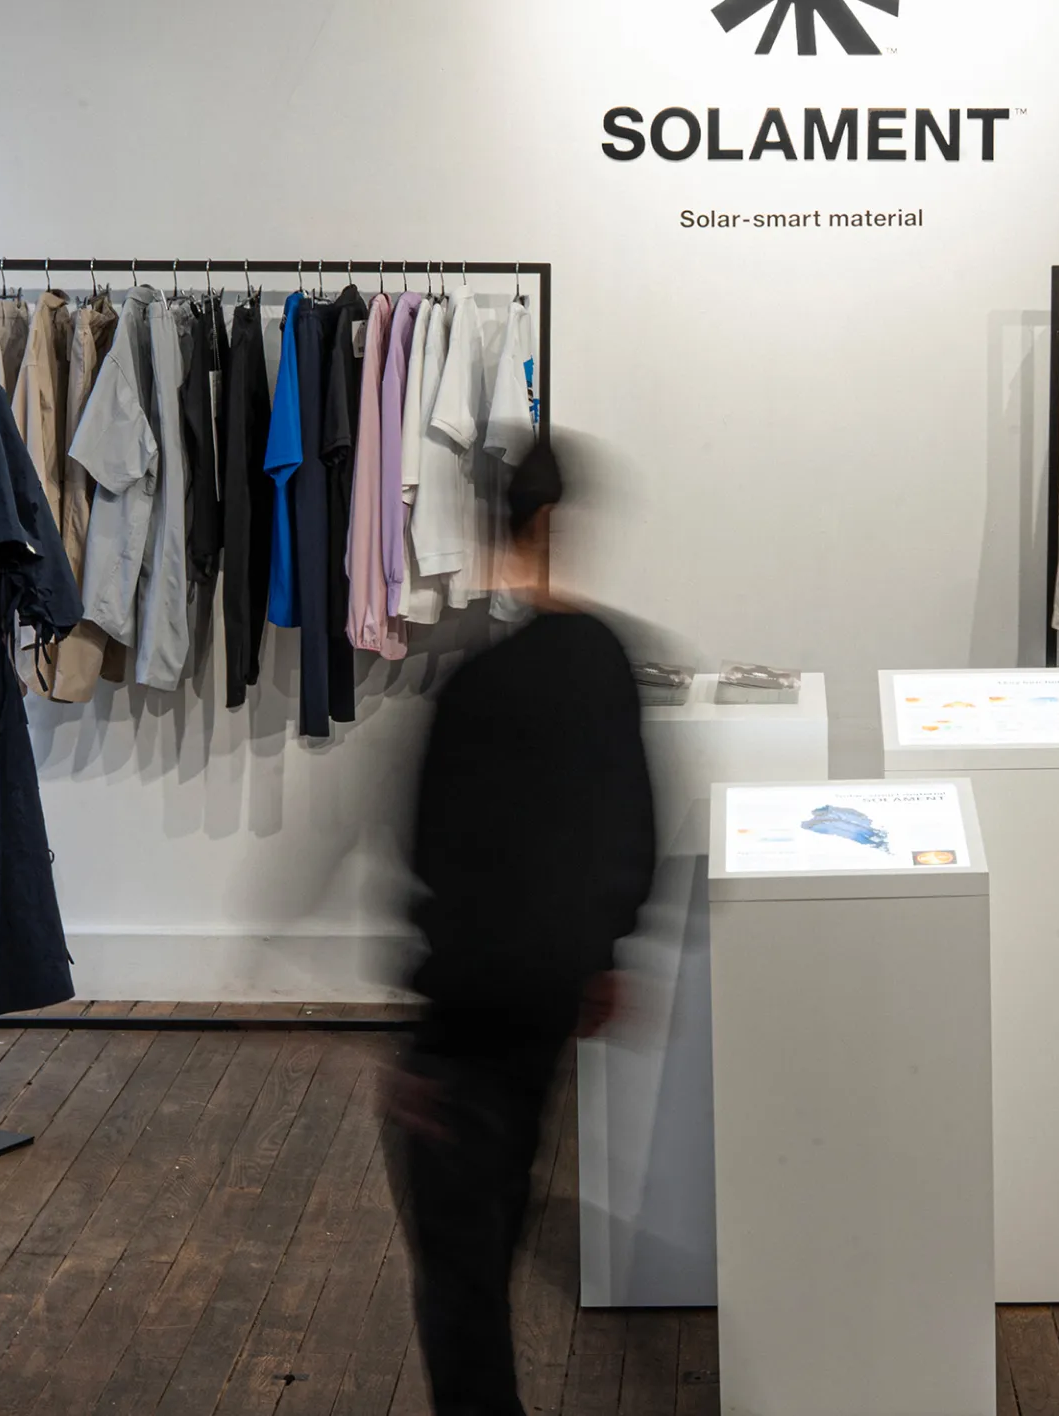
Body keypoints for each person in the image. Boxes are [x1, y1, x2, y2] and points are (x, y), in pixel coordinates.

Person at [388, 432, 656, 1414]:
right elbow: (634, 826)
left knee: (462, 1269)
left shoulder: (471, 687)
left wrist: (424, 1036)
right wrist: (606, 955)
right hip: (549, 1000)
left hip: (470, 1016)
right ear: (558, 519)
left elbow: (430, 857)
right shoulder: (606, 660)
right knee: (498, 1214)